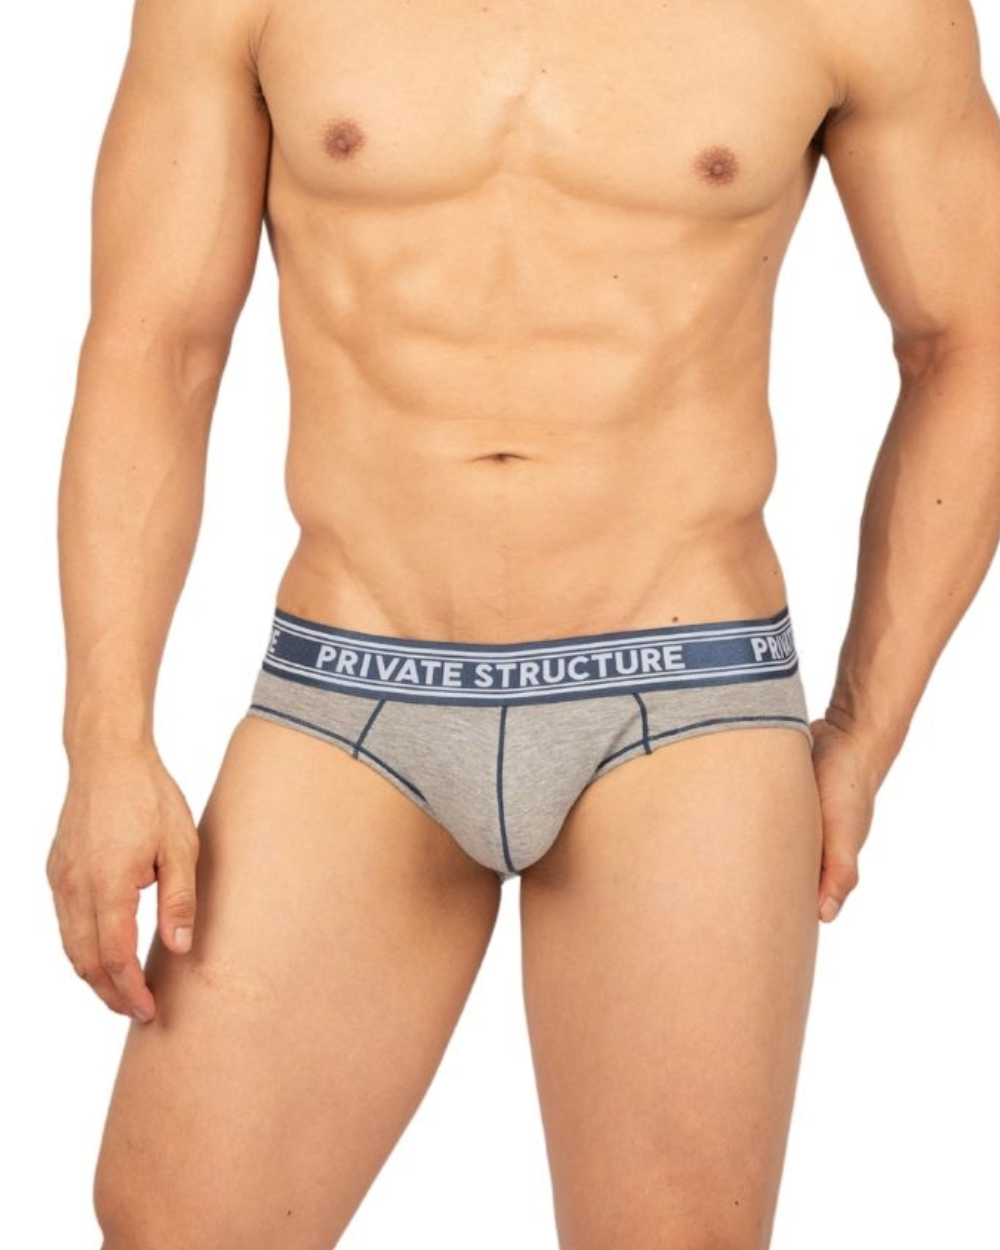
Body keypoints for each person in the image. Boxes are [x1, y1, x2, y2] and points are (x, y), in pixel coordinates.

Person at [45, 0, 1000, 1245]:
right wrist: (105, 741)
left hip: (684, 698)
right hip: (351, 684)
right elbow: (155, 345)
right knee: (171, 1223)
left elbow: (969, 337)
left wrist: (865, 733)